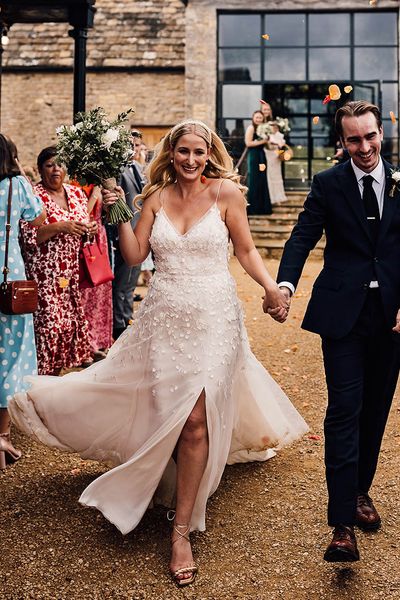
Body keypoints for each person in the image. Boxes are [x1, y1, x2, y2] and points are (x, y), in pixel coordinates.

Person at [10, 120, 308, 586]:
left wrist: (272, 288)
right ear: (170, 153)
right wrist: (117, 213)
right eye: (183, 151)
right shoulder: (153, 198)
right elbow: (133, 255)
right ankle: (166, 477)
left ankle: (182, 531)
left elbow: (247, 250)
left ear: (210, 154)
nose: (191, 160)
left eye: (199, 152)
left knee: (194, 420)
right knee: (164, 407)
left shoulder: (226, 195)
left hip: (215, 317)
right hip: (164, 318)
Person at [272, 101, 400, 563]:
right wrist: (284, 284)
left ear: (380, 132)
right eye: (353, 140)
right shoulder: (328, 184)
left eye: (369, 137)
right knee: (345, 409)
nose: (363, 148)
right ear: (341, 141)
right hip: (342, 314)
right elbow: (303, 236)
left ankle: (360, 491)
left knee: (375, 412)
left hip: (391, 317)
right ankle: (341, 524)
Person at [20, 146, 96, 375]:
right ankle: (40, 378)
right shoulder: (34, 196)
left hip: (69, 274)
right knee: (48, 326)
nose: (56, 169)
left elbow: (84, 231)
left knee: (66, 326)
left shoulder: (76, 193)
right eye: (50, 165)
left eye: (60, 164)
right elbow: (27, 236)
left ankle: (55, 377)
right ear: (40, 169)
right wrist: (60, 227)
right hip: (43, 275)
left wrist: (88, 230)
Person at [0, 134, 45, 469]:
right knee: (12, 355)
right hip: (8, 274)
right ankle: (2, 435)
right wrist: (19, 171)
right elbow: (37, 215)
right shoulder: (16, 185)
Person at [110, 130, 145, 339]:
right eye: (130, 144)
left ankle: (127, 317)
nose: (134, 148)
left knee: (131, 282)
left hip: (141, 231)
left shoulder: (138, 168)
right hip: (125, 233)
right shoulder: (117, 171)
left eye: (136, 144)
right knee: (122, 283)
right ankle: (119, 324)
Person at [80, 185, 113, 363]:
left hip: (100, 239)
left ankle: (100, 340)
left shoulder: (98, 185)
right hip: (85, 240)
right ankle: (85, 345)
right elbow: (80, 214)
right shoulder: (76, 186)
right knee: (85, 296)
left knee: (100, 294)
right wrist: (93, 196)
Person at [244, 110, 272, 215]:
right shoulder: (251, 128)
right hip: (254, 156)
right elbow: (248, 143)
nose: (259, 119)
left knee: (262, 179)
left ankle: (262, 208)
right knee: (254, 180)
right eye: (257, 117)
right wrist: (262, 141)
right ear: (253, 118)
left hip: (262, 156)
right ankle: (253, 208)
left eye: (260, 118)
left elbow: (266, 144)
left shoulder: (264, 128)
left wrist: (268, 141)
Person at [265, 121, 288, 204]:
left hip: (276, 157)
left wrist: (279, 146)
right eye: (271, 126)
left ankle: (278, 196)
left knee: (277, 176)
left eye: (274, 126)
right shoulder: (267, 135)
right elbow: (267, 144)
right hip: (268, 156)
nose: (273, 127)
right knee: (269, 176)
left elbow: (281, 146)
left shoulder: (280, 135)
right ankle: (271, 197)